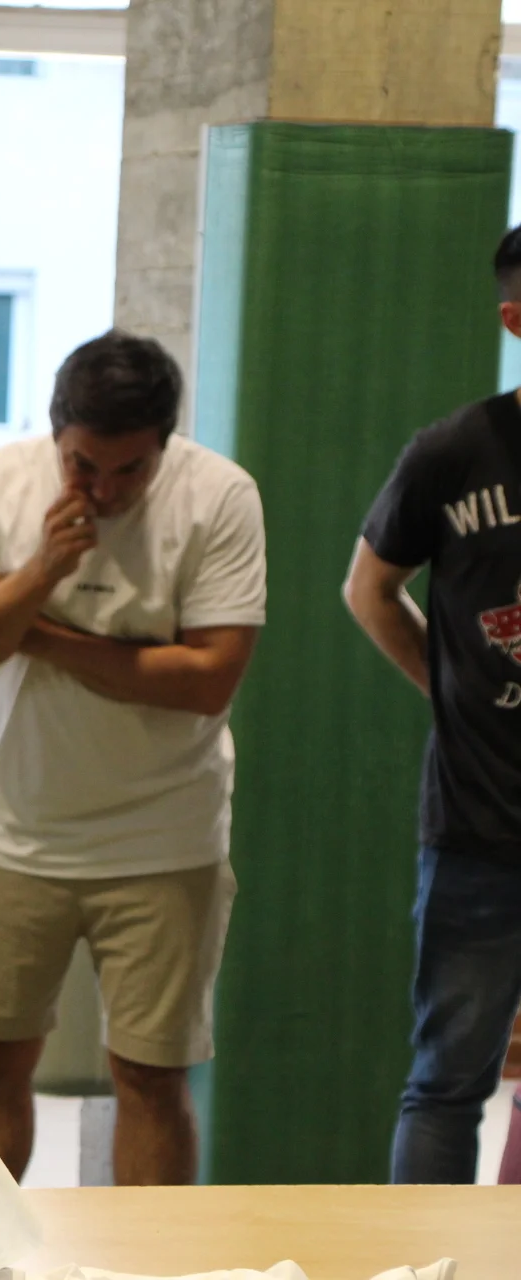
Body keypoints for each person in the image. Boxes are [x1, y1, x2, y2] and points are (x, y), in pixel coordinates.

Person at [0, 330, 266, 1187]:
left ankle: (148, 1259)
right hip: (13, 829)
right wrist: (41, 570)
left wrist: (30, 630)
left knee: (150, 1078)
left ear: (165, 446)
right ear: (55, 435)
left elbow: (208, 681)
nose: (104, 490)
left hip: (165, 838)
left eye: (130, 470)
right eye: (83, 466)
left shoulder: (220, 496)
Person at [344, 226, 521, 1185]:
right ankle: (432, 1255)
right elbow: (369, 589)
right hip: (478, 828)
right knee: (450, 1082)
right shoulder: (455, 453)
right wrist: (449, 689)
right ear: (516, 321)